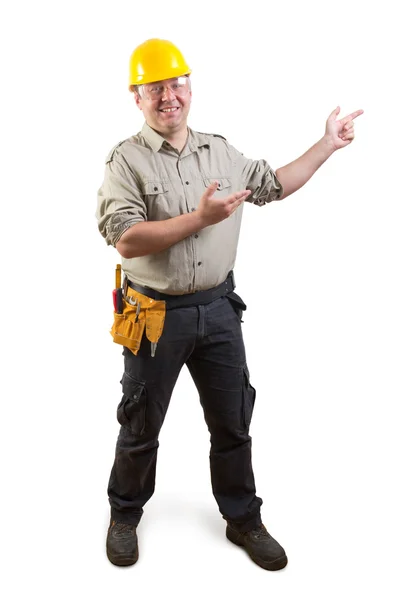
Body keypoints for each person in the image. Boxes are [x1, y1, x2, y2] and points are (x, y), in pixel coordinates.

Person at [96, 38, 363, 570]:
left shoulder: (220, 151)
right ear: (137, 97)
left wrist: (326, 144)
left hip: (219, 312)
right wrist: (198, 219)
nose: (168, 96)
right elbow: (124, 238)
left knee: (233, 420)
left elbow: (274, 185)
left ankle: (243, 518)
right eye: (155, 88)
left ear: (189, 88)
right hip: (153, 316)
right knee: (141, 422)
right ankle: (124, 514)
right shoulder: (125, 160)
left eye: (176, 83)